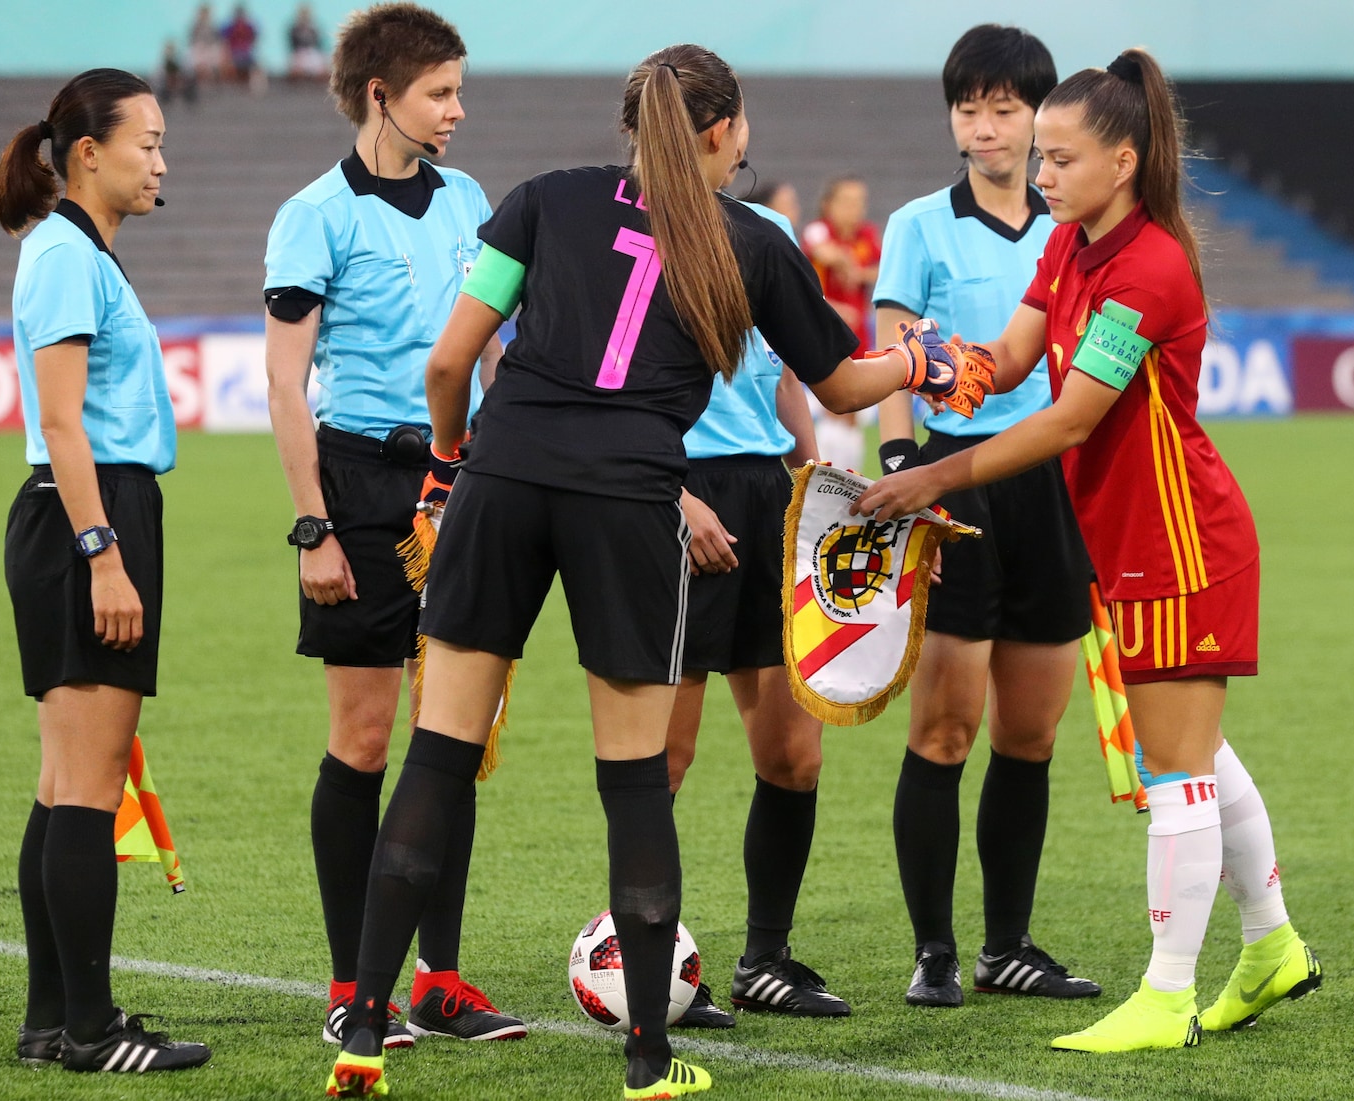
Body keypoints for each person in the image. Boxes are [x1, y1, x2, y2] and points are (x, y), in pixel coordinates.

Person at [322, 42, 990, 1099]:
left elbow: (448, 363)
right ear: (720, 132)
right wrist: (922, 361)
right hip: (629, 501)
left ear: (632, 126)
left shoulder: (540, 200)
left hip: (503, 478)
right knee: (635, 783)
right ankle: (644, 1061)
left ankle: (361, 1030)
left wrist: (450, 465)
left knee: (437, 760)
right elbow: (845, 383)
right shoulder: (752, 242)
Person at [858, 47, 1320, 1052]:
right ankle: (1272, 945)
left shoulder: (1149, 264)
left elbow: (1067, 419)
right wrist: (912, 368)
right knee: (1197, 752)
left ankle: (1164, 996)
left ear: (1121, 162)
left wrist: (931, 476)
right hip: (1129, 534)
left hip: (1178, 537)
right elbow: (1010, 360)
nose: (1038, 177)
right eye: (1041, 160)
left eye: (1058, 160)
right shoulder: (1068, 245)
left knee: (1175, 771)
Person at [263, 2, 516, 1055]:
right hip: (360, 487)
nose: (456, 112)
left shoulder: (470, 201)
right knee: (364, 741)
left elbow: (496, 351)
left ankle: (440, 982)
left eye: (457, 91)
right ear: (381, 95)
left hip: (461, 482)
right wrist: (312, 525)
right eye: (438, 94)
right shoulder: (311, 214)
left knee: (447, 740)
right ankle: (346, 983)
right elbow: (284, 385)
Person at [869, 23, 1100, 1010]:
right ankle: (933, 951)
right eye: (969, 106)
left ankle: (1008, 945)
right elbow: (889, 361)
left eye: (1004, 107)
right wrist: (894, 465)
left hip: (1054, 480)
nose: (985, 126)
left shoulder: (1076, 226)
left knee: (1031, 733)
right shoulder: (917, 224)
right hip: (949, 486)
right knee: (944, 729)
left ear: (1039, 117)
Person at [0, 67, 208, 1074]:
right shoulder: (63, 256)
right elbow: (64, 422)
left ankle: (54, 1021)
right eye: (147, 143)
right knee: (86, 787)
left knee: (62, 785)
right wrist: (102, 555)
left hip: (101, 515)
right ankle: (89, 1028)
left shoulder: (77, 254)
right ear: (89, 154)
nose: (161, 161)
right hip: (90, 519)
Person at [660, 198, 848, 1027]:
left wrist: (820, 487)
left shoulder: (765, 255)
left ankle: (765, 958)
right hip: (677, 497)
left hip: (770, 497)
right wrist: (673, 492)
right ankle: (649, 959)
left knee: (794, 753)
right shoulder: (646, 247)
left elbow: (787, 386)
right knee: (662, 759)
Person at [802, 176, 881, 471]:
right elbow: (824, 253)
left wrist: (858, 274)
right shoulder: (819, 230)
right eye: (846, 202)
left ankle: (850, 478)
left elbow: (880, 268)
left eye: (859, 202)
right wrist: (846, 263)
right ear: (827, 205)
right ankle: (825, 473)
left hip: (857, 335)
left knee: (853, 411)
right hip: (826, 333)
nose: (854, 209)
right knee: (833, 404)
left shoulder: (866, 235)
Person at [224, 3, 261, 90]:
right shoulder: (230, 27)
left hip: (246, 54)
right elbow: (225, 43)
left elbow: (255, 40)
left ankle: (257, 91)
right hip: (234, 55)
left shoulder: (249, 27)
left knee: (257, 69)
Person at [288, 4, 329, 83]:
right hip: (299, 53)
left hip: (312, 53)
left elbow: (319, 46)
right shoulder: (294, 30)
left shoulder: (314, 30)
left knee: (323, 67)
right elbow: (293, 46)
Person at [188, 4, 225, 87]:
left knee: (216, 55)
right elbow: (192, 40)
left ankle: (214, 81)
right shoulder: (195, 26)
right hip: (199, 48)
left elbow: (217, 39)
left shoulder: (213, 26)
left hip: (210, 49)